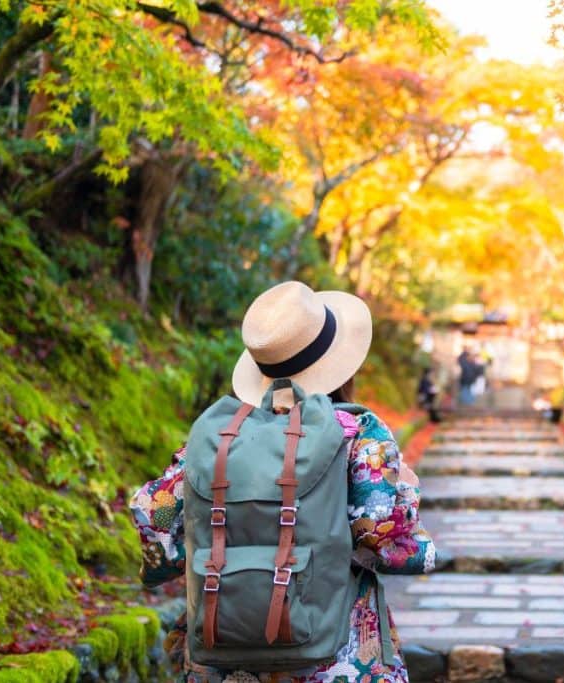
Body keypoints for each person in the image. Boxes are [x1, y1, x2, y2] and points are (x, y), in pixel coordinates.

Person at [130, 281, 435, 683]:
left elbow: (155, 523)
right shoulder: (356, 432)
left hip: (224, 655)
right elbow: (382, 540)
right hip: (334, 657)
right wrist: (418, 534)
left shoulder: (220, 441)